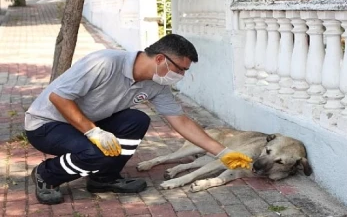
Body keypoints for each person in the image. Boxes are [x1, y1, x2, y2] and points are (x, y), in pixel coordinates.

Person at [24, 34, 248, 205]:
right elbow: (59, 97)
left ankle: (104, 178)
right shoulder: (105, 62)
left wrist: (223, 152)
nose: (181, 75)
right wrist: (93, 132)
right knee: (96, 152)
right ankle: (47, 174)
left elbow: (181, 121)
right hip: (47, 125)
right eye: (180, 69)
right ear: (160, 58)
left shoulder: (155, 84)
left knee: (137, 119)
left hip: (88, 122)